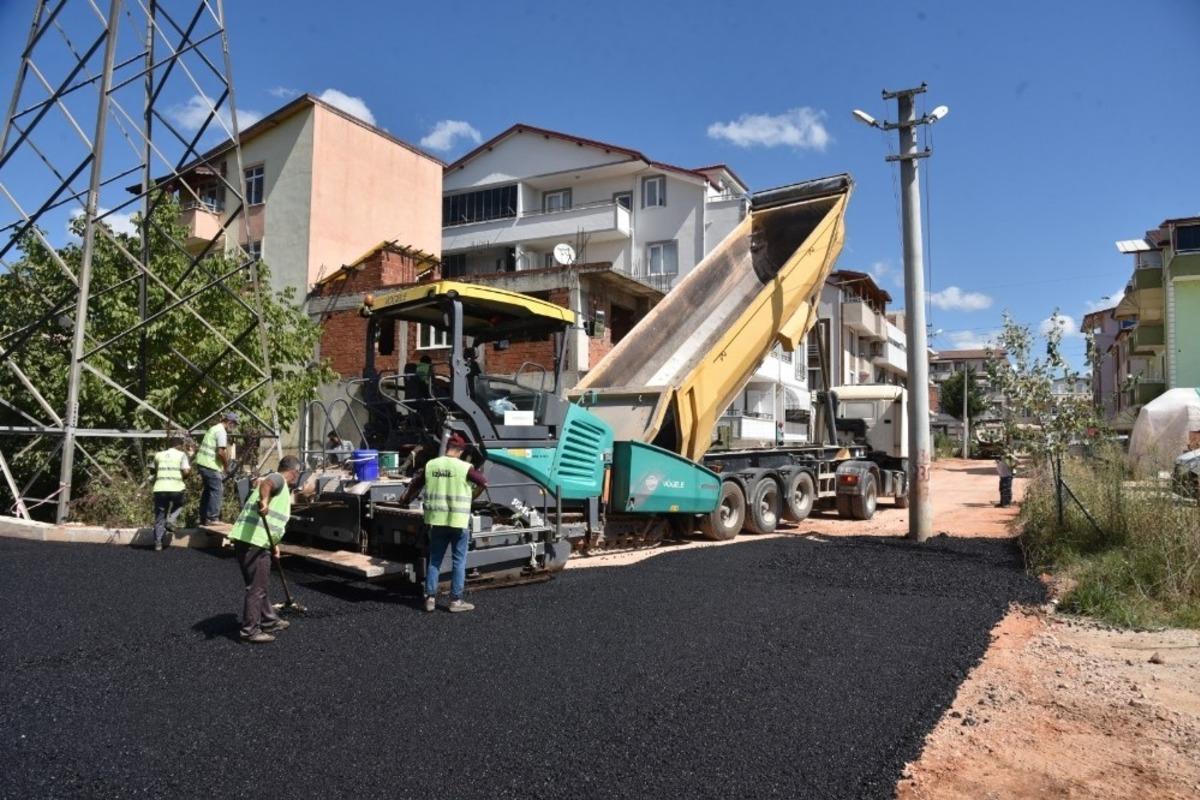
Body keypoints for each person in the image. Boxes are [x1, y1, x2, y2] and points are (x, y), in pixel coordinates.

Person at [400, 433, 487, 613]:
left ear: (447, 448)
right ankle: (455, 601)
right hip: (458, 522)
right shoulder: (465, 467)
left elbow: (416, 483)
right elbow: (484, 482)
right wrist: (472, 495)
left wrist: (405, 499)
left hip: (437, 521)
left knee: (435, 560)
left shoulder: (432, 465)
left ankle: (430, 599)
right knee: (458, 561)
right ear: (461, 451)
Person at [227, 455, 302, 644]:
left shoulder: (280, 485)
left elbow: (271, 521)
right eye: (298, 474)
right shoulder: (278, 479)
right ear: (294, 472)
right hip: (255, 543)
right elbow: (267, 484)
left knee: (259, 584)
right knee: (256, 588)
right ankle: (250, 630)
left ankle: (269, 620)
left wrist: (274, 544)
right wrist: (265, 501)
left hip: (252, 541)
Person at [194, 411, 238, 525]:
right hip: (210, 465)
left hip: (202, 463)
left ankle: (204, 518)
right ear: (229, 422)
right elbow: (221, 452)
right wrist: (226, 466)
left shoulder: (213, 428)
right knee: (217, 490)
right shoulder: (221, 431)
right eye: (234, 424)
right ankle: (212, 518)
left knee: (208, 491)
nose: (234, 428)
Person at [150, 436, 191, 551]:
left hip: (160, 489)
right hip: (176, 488)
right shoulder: (181, 455)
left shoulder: (158, 455)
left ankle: (158, 543)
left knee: (159, 516)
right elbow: (186, 471)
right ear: (179, 446)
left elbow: (153, 470)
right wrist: (185, 476)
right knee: (179, 504)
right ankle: (171, 520)